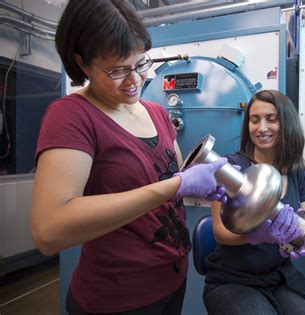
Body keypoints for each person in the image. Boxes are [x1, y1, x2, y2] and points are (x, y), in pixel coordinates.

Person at [30, 1, 228, 314]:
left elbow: (171, 181)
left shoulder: (156, 112)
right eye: (118, 70)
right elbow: (49, 230)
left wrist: (205, 184)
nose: (134, 79)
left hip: (173, 281)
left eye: (140, 64)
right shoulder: (72, 116)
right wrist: (177, 186)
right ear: (83, 63)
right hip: (118, 298)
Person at [203, 90, 305, 315]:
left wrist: (297, 240)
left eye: (271, 119)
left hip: (280, 275)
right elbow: (220, 233)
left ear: (286, 124)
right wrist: (257, 236)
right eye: (255, 120)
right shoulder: (231, 168)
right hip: (233, 279)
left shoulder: (298, 172)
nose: (261, 128)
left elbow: (304, 227)